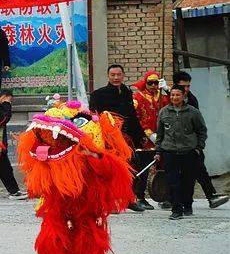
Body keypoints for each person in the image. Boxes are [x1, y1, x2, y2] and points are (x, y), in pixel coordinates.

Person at [88, 64, 146, 213]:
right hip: (109, 139)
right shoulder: (98, 95)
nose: (116, 78)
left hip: (126, 138)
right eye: (113, 75)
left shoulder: (126, 92)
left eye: (118, 75)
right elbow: (94, 118)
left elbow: (132, 116)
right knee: (111, 170)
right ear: (108, 76)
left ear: (123, 75)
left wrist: (140, 135)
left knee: (131, 168)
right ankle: (110, 202)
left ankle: (129, 199)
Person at [172, 71, 228, 209]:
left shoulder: (191, 99)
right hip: (173, 145)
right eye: (183, 86)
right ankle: (175, 199)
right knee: (178, 174)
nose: (186, 89)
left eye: (188, 86)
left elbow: (199, 125)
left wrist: (199, 145)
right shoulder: (169, 99)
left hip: (191, 143)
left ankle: (210, 196)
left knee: (198, 169)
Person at [155, 85, 208, 220]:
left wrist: (198, 147)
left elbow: (202, 131)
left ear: (184, 96)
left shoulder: (193, 112)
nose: (174, 98)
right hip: (170, 152)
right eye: (172, 95)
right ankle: (176, 209)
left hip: (189, 152)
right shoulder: (164, 112)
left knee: (188, 181)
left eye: (178, 95)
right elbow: (160, 134)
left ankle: (187, 204)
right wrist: (158, 151)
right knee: (173, 181)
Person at [131, 71, 168, 210]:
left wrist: (168, 91)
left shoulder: (163, 98)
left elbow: (178, 104)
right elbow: (136, 118)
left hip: (163, 139)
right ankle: (139, 197)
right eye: (150, 83)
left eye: (156, 83)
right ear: (145, 83)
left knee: (164, 167)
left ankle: (164, 196)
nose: (153, 85)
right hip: (144, 140)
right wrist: (148, 133)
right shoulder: (137, 98)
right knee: (143, 169)